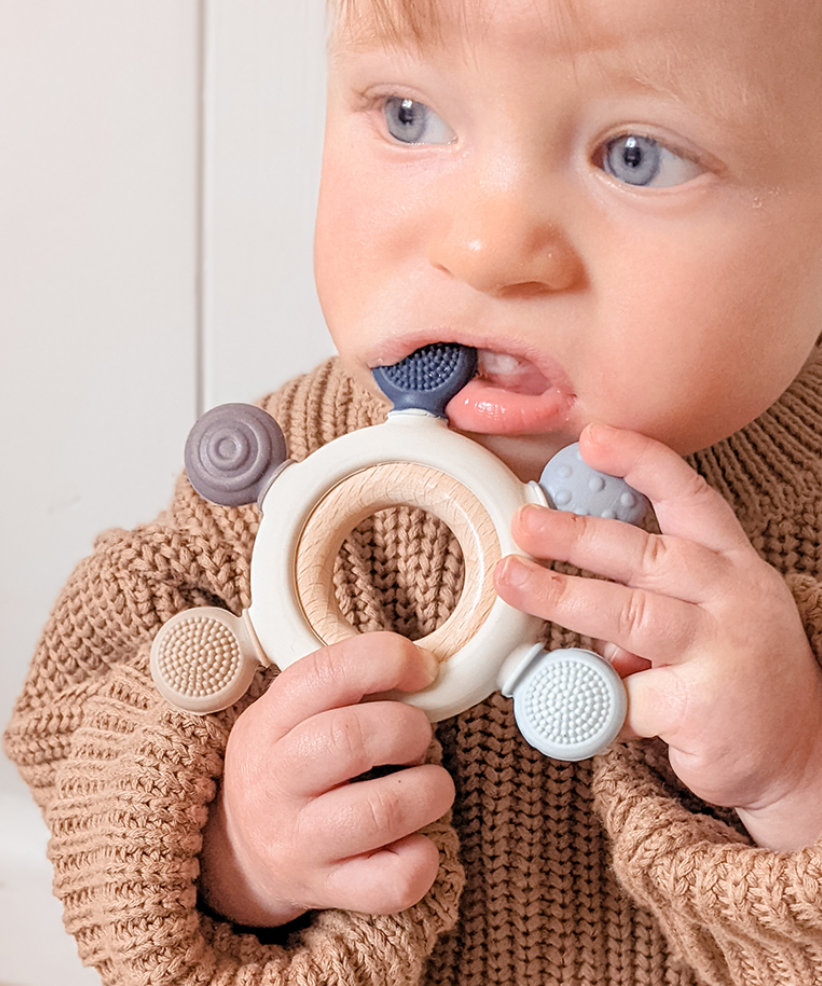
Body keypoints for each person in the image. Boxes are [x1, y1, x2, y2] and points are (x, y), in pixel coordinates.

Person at [7, 0, 822, 982]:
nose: (487, 246)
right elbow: (61, 732)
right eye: (407, 116)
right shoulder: (288, 489)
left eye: (636, 155)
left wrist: (798, 773)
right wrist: (236, 855)